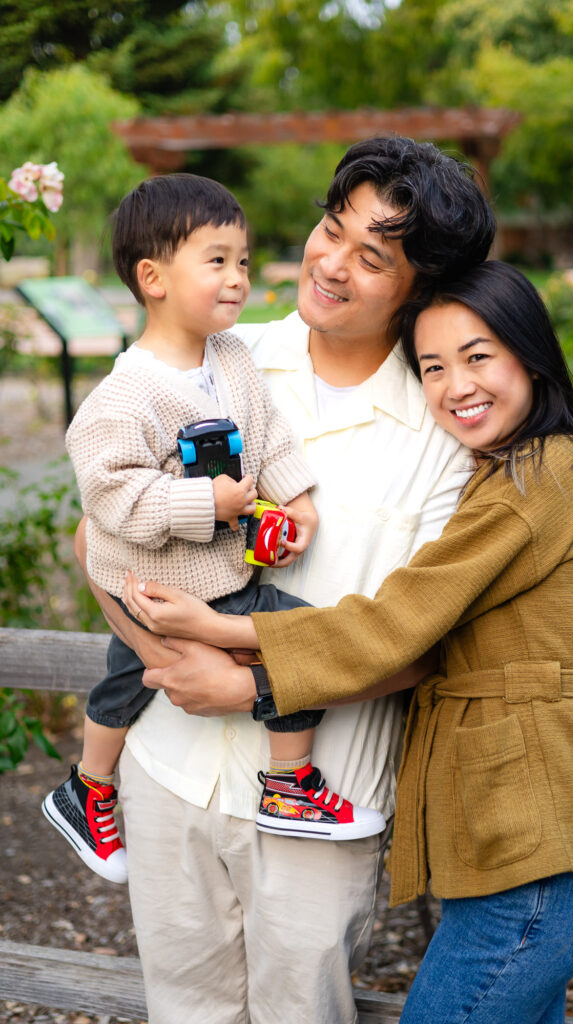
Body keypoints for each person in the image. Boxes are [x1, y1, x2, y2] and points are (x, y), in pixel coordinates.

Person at [124, 261, 573, 1024]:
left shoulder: (540, 478)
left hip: (537, 857)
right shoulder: (508, 472)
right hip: (521, 849)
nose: (455, 385)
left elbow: (398, 621)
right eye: (432, 367)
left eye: (477, 356)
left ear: (530, 356)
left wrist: (223, 631)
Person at [74, 136, 497, 1024]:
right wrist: (168, 659)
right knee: (183, 1010)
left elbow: (425, 641)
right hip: (171, 766)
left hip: (321, 788)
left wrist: (246, 683)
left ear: (419, 286)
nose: (331, 264)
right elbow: (98, 535)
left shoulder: (444, 432)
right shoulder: (212, 358)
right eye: (331, 229)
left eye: (372, 258)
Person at [43, 172, 386, 887]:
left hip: (223, 578)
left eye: (243, 262)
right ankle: (89, 786)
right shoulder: (121, 398)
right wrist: (210, 504)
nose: (238, 279)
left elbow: (268, 436)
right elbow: (114, 497)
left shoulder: (230, 357)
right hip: (154, 586)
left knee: (293, 646)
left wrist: (296, 502)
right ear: (153, 278)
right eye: (218, 261)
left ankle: (282, 784)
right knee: (133, 681)